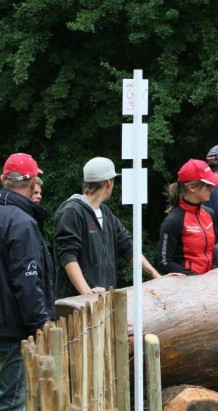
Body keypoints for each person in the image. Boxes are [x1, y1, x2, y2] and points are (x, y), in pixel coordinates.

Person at [54, 157, 162, 298]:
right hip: (76, 305)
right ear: (109, 183)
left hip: (102, 301)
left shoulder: (106, 213)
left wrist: (158, 278)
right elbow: (67, 255)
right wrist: (86, 292)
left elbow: (128, 248)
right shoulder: (71, 211)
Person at [0, 153, 55, 410]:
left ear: (4, 180)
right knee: (12, 403)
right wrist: (40, 323)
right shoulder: (21, 223)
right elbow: (27, 279)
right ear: (33, 182)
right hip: (10, 332)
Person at [157, 159, 218, 275]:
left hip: (208, 283)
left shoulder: (209, 214)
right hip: (184, 287)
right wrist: (197, 278)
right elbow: (164, 262)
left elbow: (213, 247)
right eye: (208, 185)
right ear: (192, 187)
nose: (212, 188)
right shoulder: (173, 221)